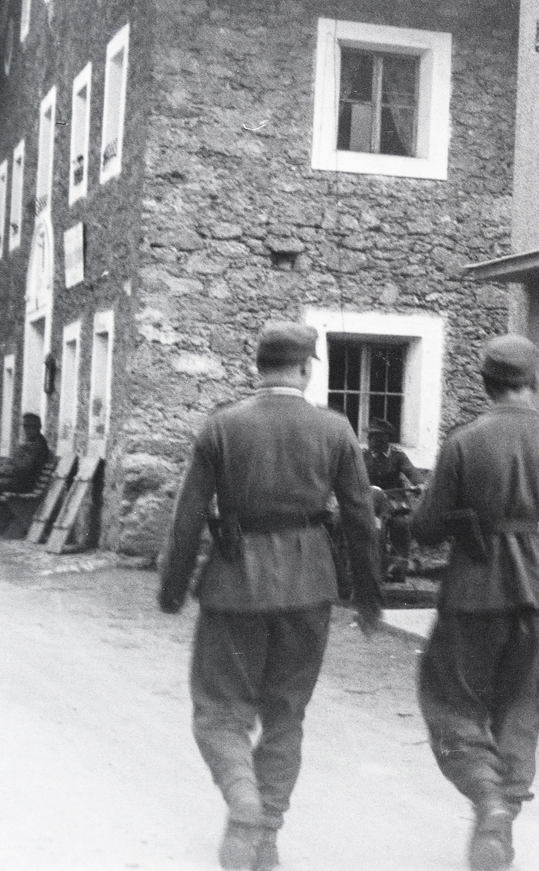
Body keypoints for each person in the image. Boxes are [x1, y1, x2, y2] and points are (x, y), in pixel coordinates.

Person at [157, 322, 382, 871]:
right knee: (286, 716)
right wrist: (369, 599)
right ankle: (268, 835)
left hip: (234, 584)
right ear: (307, 369)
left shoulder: (222, 427)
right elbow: (360, 518)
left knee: (219, 712)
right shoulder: (335, 429)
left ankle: (243, 801)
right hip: (308, 586)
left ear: (258, 367)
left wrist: (172, 588)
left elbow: (187, 518)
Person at [411, 335, 539, 871]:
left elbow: (426, 527)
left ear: (485, 381)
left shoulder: (463, 441)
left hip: (472, 593)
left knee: (453, 702)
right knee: (522, 709)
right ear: (533, 382)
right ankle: (500, 820)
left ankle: (489, 802)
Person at [364, 420, 423, 581]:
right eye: (370, 437)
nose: (371, 441)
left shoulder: (397, 456)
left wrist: (419, 484)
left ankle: (399, 568)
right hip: (369, 501)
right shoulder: (363, 456)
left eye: (375, 437)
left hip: (393, 501)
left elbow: (411, 472)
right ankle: (362, 568)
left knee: (401, 525)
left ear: (385, 439)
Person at [0, 412, 52, 492]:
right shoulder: (31, 442)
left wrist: (8, 467)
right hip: (19, 481)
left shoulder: (38, 446)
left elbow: (24, 467)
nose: (27, 429)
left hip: (24, 485)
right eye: (25, 426)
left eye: (33, 426)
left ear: (39, 427)